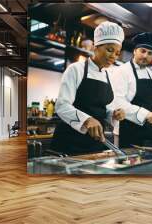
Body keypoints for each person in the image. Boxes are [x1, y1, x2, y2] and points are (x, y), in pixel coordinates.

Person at [51, 21, 125, 155]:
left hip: (95, 143)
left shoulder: (108, 75)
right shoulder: (76, 69)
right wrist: (86, 120)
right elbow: (61, 106)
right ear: (96, 46)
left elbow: (100, 108)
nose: (113, 56)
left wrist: (112, 114)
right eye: (110, 50)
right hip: (69, 142)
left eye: (117, 53)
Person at [111, 32, 152, 147]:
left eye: (150, 53)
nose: (145, 56)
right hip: (126, 132)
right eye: (143, 51)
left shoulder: (151, 74)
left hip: (148, 133)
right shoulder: (122, 71)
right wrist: (145, 114)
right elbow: (118, 102)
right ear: (135, 51)